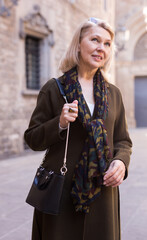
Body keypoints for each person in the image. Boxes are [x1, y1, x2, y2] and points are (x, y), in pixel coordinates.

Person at [24, 17, 132, 240]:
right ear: (78, 44)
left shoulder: (113, 94)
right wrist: (60, 123)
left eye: (107, 43)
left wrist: (121, 161)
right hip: (61, 194)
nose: (100, 48)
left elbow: (123, 141)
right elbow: (33, 138)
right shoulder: (54, 89)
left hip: (103, 192)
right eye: (94, 40)